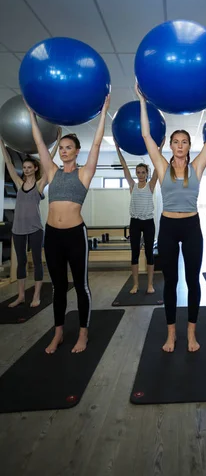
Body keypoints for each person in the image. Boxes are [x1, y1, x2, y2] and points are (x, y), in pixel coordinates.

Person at [135, 81, 206, 353]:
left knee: (192, 280)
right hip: (168, 227)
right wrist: (142, 102)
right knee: (171, 282)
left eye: (185, 142)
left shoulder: (197, 167)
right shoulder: (162, 167)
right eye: (176, 142)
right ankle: (171, 334)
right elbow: (147, 138)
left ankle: (192, 333)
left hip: (190, 226)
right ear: (171, 145)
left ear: (188, 146)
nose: (180, 145)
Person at [27, 95, 110, 354]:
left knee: (81, 286)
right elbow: (39, 141)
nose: (63, 151)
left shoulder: (85, 173)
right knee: (59, 287)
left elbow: (97, 142)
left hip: (75, 235)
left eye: (68, 148)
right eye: (61, 147)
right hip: (52, 236)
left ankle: (83, 334)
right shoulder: (51, 171)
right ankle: (59, 333)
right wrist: (32, 113)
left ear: (76, 151)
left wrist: (104, 110)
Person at [0, 132, 61, 308]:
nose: (26, 170)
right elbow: (10, 164)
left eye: (29, 167)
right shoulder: (19, 184)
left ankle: (36, 296)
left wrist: (56, 143)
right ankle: (20, 296)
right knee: (21, 262)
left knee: (36, 260)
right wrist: (2, 144)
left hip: (35, 229)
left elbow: (48, 162)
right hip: (18, 229)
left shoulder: (40, 184)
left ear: (34, 168)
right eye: (24, 167)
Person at [114, 138, 165, 294]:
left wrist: (160, 147)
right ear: (136, 173)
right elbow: (123, 166)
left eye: (143, 172)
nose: (141, 174)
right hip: (135, 222)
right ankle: (135, 284)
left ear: (147, 173)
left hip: (148, 222)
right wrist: (118, 148)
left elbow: (158, 165)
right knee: (135, 253)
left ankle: (150, 284)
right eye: (138, 172)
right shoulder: (132, 185)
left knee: (149, 253)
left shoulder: (150, 185)